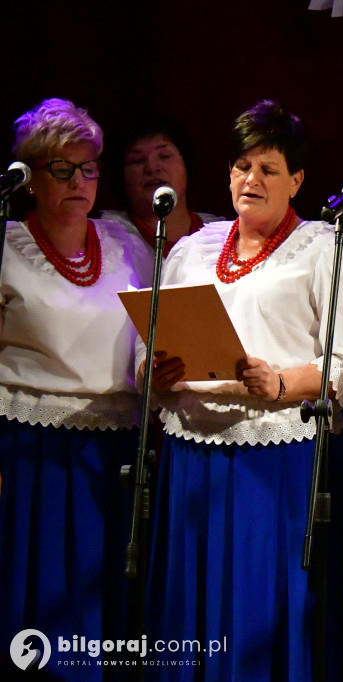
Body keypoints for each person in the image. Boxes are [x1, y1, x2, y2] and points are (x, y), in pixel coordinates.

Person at [142, 100, 343, 680]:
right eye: (243, 166)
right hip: (194, 452)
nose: (252, 180)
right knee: (196, 603)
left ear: (297, 180)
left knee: (262, 602)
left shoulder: (328, 249)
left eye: (269, 169)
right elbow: (151, 345)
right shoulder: (192, 248)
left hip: (280, 456)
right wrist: (155, 373)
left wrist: (282, 382)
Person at [0, 98, 152, 676]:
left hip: (110, 448)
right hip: (30, 448)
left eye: (88, 168)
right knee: (36, 595)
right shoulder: (8, 244)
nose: (79, 181)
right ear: (30, 178)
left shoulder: (124, 245)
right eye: (62, 169)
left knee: (100, 601)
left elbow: (144, 337)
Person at [101, 115, 221, 256]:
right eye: (137, 160)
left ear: (186, 165)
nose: (152, 168)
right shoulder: (107, 239)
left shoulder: (219, 237)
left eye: (164, 156)